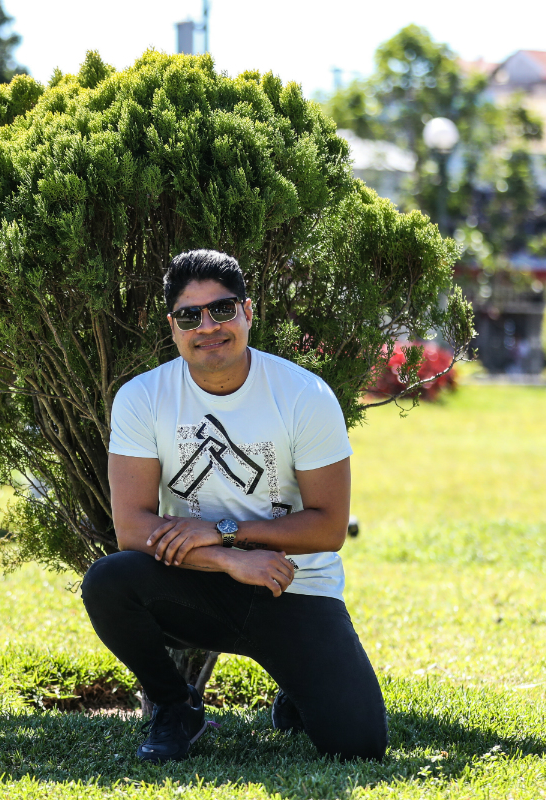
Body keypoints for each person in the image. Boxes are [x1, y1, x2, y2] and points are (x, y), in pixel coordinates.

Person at [81, 249, 387, 764]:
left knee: (357, 748)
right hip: (197, 583)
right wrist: (227, 557)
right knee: (109, 581)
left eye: (222, 310)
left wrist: (224, 531)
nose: (208, 327)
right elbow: (132, 529)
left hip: (290, 585)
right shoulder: (142, 398)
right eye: (189, 316)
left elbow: (329, 527)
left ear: (248, 312)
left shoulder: (304, 395)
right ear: (173, 327)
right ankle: (176, 707)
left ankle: (296, 688)